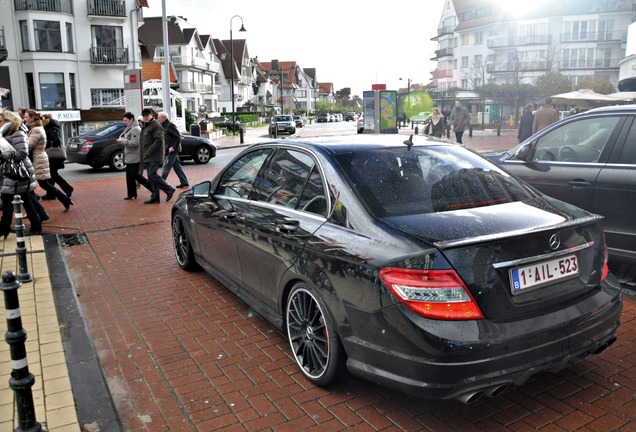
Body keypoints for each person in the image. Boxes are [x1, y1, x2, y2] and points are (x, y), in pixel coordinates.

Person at [0, 109, 42, 237]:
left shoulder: (17, 132)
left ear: (8, 120)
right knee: (25, 200)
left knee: (9, 202)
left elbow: (22, 153)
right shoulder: (3, 133)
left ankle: (4, 230)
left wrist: (2, 155)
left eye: (0, 120)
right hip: (10, 172)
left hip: (17, 173)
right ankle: (36, 226)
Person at [24, 109, 74, 212]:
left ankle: (38, 211)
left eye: (26, 117)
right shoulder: (36, 129)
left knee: (40, 184)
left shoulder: (36, 130)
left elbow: (28, 145)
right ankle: (63, 200)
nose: (24, 119)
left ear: (32, 118)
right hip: (37, 158)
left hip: (37, 159)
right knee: (41, 184)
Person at [139, 108, 175, 204]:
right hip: (148, 155)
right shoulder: (146, 125)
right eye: (143, 115)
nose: (145, 117)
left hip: (154, 155)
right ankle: (155, 197)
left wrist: (148, 152)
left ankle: (169, 189)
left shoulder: (155, 125)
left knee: (152, 174)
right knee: (151, 177)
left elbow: (158, 141)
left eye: (147, 115)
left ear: (151, 115)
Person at [117, 112, 152, 200]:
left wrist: (122, 141)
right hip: (130, 155)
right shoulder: (130, 128)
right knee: (129, 176)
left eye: (126, 120)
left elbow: (135, 143)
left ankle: (152, 187)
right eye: (124, 120)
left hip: (134, 156)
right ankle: (131, 194)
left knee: (135, 175)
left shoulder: (135, 129)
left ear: (131, 119)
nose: (125, 122)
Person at [42, 114, 73, 199]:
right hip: (52, 156)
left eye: (42, 120)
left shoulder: (52, 129)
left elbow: (56, 141)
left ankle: (68, 189)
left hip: (53, 156)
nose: (41, 122)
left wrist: (45, 143)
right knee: (51, 175)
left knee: (53, 175)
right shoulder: (51, 128)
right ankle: (51, 194)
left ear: (46, 120)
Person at [158, 112, 189, 188]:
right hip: (169, 149)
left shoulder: (170, 126)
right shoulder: (164, 126)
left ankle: (161, 184)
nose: (158, 119)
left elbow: (178, 137)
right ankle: (184, 182)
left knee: (166, 167)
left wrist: (173, 147)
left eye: (159, 117)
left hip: (172, 150)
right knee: (177, 167)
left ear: (163, 118)